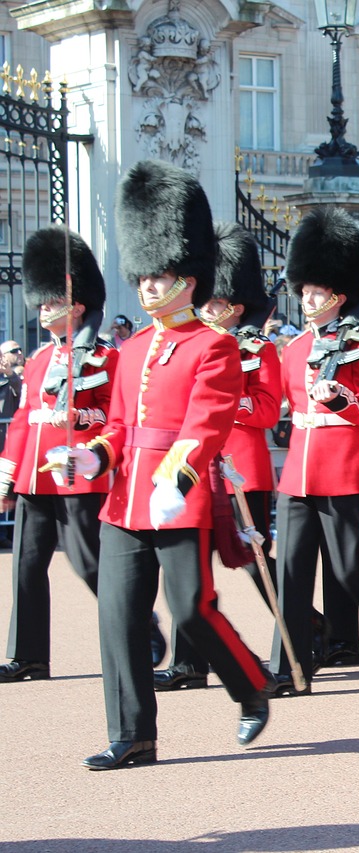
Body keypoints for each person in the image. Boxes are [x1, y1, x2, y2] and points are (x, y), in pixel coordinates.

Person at [55, 159, 270, 768]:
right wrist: (90, 455)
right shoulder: (130, 351)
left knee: (190, 609)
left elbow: (208, 421)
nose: (149, 287)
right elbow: (120, 426)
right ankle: (133, 735)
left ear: (189, 279)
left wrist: (177, 475)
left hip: (180, 492)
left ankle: (250, 684)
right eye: (145, 277)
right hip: (125, 500)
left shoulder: (215, 344)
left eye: (162, 276)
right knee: (118, 615)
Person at [269, 207, 359, 697]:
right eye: (303, 291)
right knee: (291, 570)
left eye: (317, 292)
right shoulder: (291, 349)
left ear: (339, 296)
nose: (307, 300)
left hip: (343, 465)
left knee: (350, 566)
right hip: (299, 470)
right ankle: (288, 666)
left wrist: (341, 399)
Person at [153, 221, 282, 691]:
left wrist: (228, 401)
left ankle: (303, 631)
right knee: (194, 572)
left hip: (242, 470)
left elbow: (267, 411)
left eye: (216, 304)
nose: (208, 310)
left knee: (253, 564)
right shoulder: (194, 348)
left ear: (236, 307)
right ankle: (190, 662)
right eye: (205, 302)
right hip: (199, 470)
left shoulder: (258, 349)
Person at [0, 227, 115, 683]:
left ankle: (140, 626)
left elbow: (111, 414)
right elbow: (26, 418)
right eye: (43, 301)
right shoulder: (36, 360)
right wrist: (8, 473)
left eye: (51, 301)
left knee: (88, 562)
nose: (43, 308)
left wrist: (82, 425)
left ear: (77, 305)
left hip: (75, 471)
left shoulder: (104, 357)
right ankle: (28, 654)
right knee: (26, 564)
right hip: (34, 475)